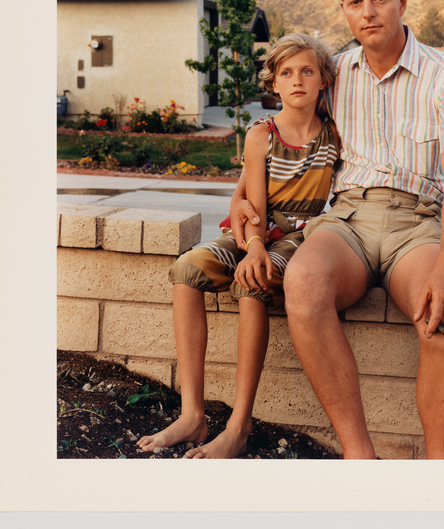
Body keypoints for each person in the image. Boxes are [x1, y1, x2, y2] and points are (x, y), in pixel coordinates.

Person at [230, 0, 444, 459]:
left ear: (402, 2)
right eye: (355, 2)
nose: (367, 12)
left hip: (416, 225)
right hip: (347, 219)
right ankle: (359, 455)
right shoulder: (335, 75)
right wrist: (241, 195)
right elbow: (283, 129)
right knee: (303, 281)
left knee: (441, 320)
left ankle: (441, 478)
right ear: (344, 11)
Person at [137, 33, 339, 458]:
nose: (297, 80)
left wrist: (260, 253)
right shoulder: (261, 134)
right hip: (256, 228)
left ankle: (239, 424)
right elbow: (253, 203)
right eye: (287, 73)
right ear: (274, 83)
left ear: (323, 80)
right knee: (187, 270)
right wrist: (254, 245)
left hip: (301, 235)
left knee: (251, 284)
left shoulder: (334, 134)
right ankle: (192, 414)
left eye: (307, 71)